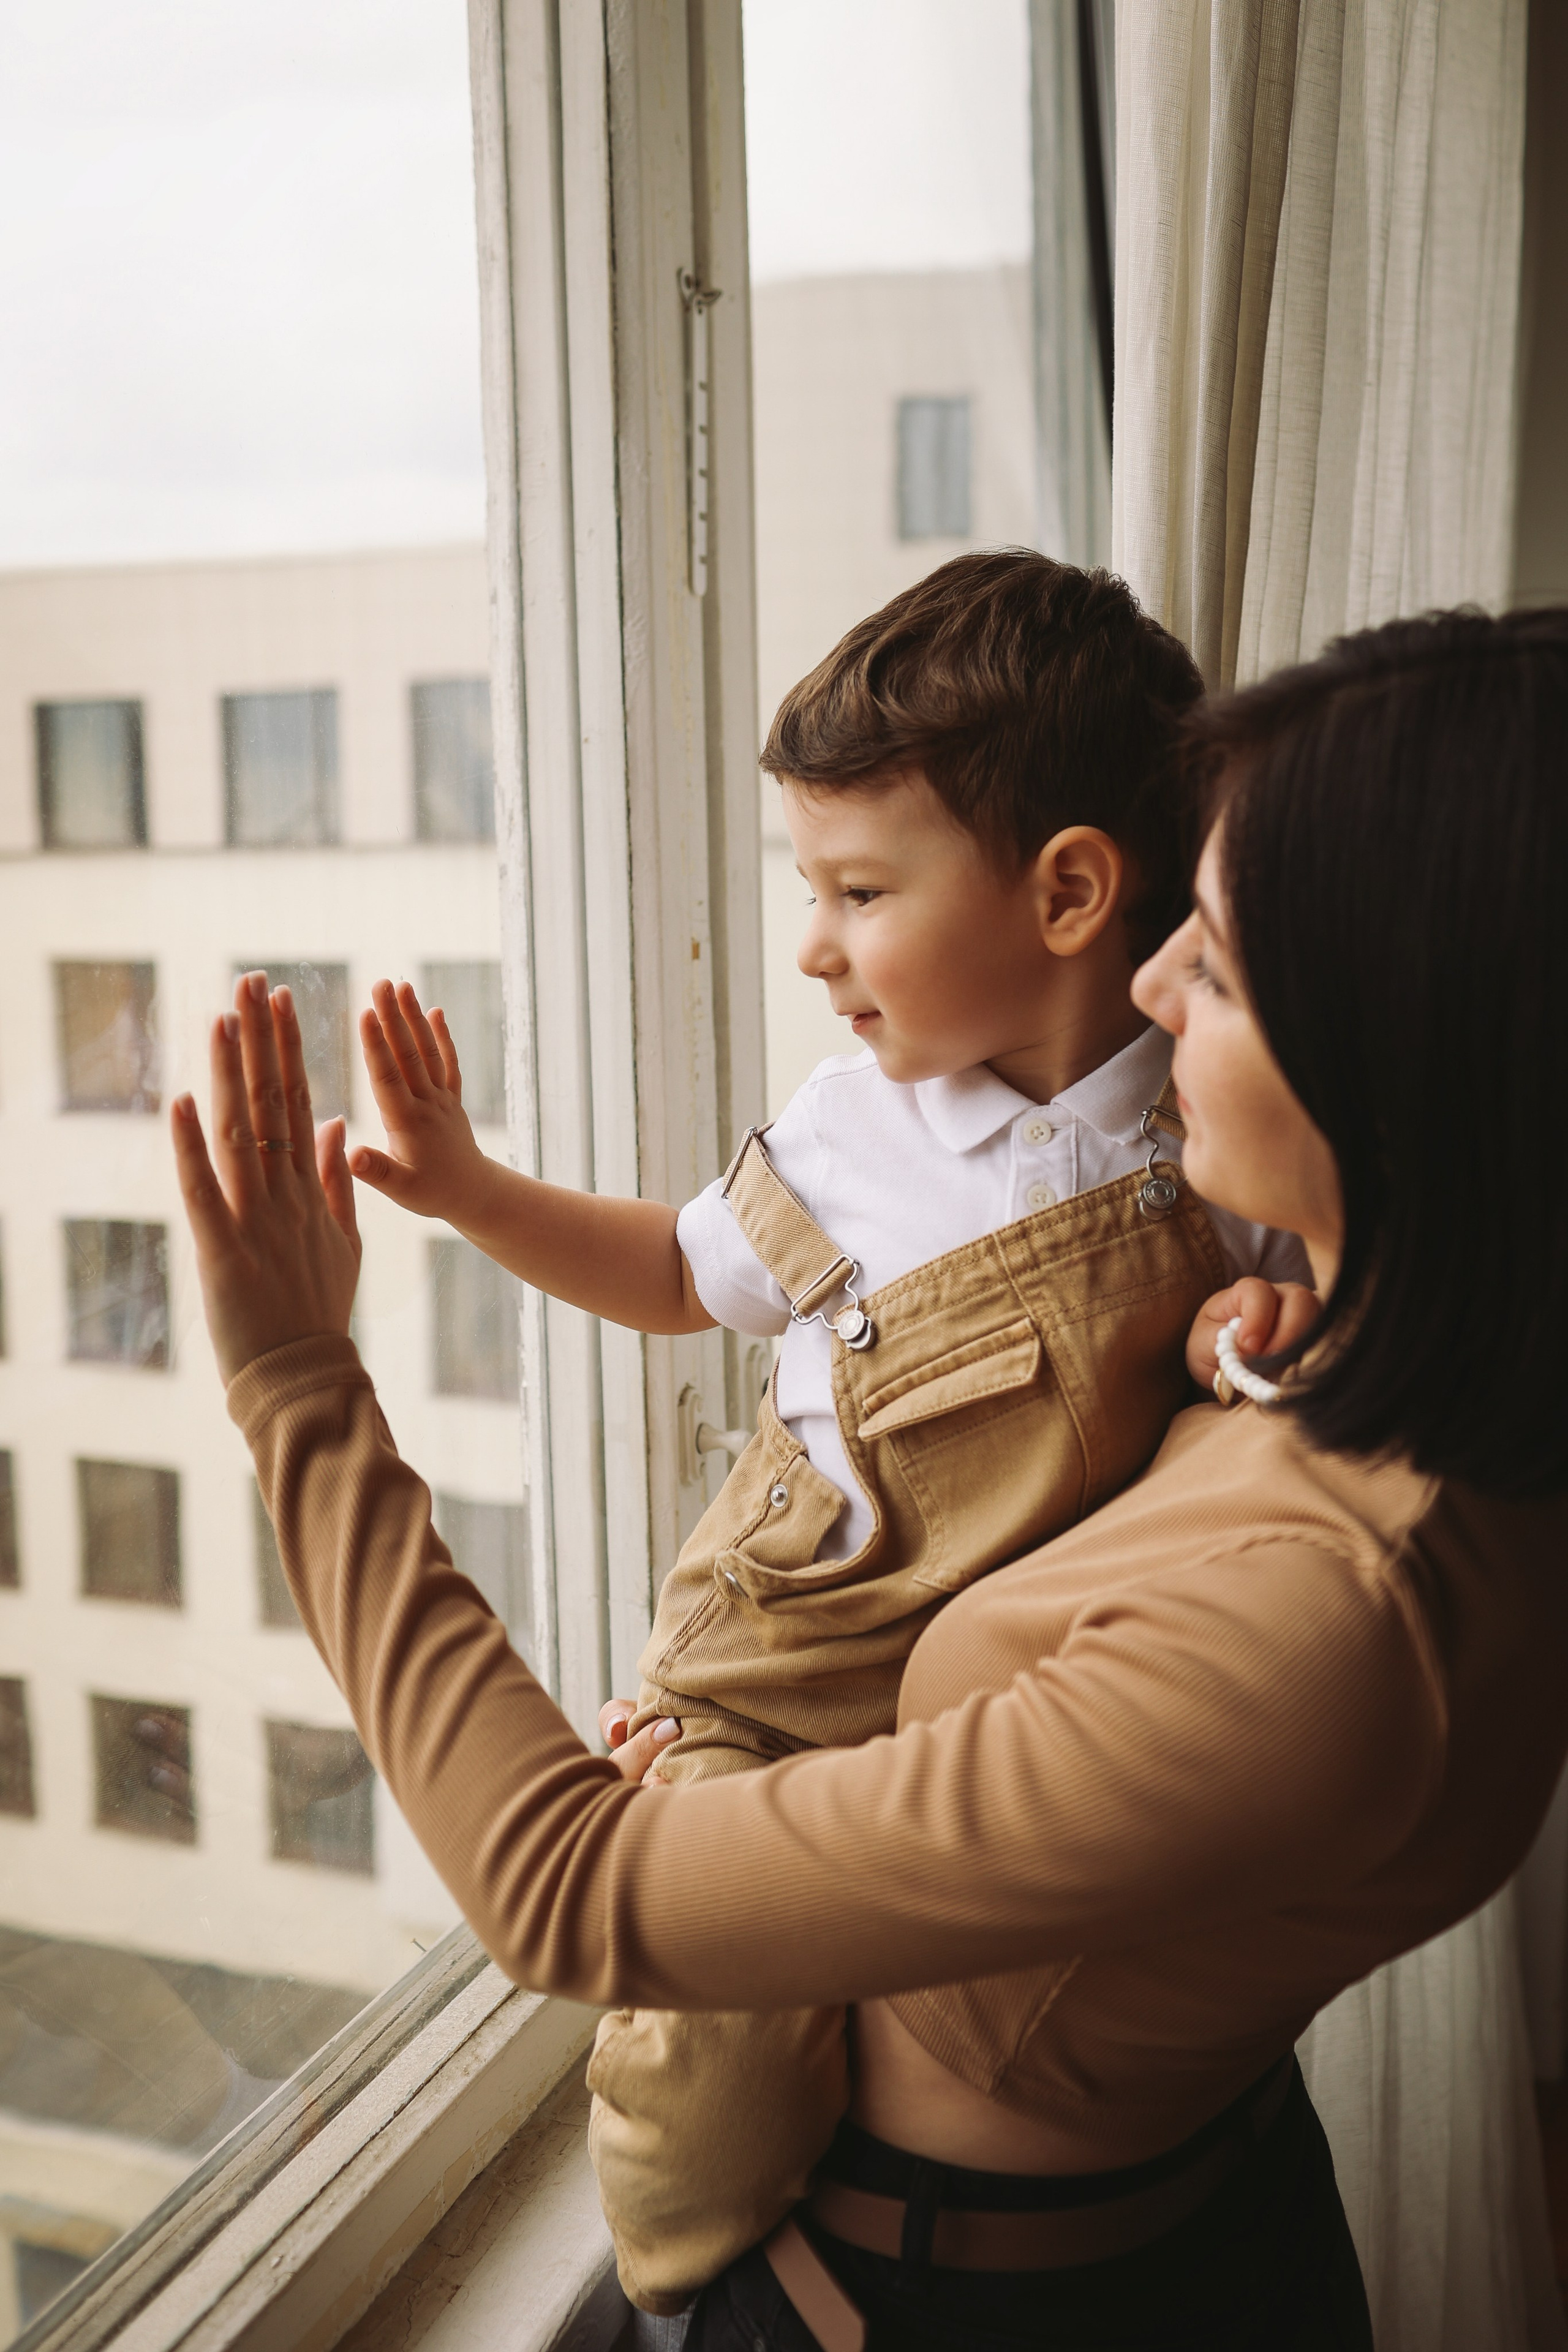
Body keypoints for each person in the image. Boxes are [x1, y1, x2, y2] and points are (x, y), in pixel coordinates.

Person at [172, 604, 1568, 2352]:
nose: (1148, 984)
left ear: (1414, 1042)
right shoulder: (1407, 1396)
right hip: (1195, 2203)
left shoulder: (1335, 1621)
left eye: (1210, 960)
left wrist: (298, 1385)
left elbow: (572, 1892)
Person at [343, 552, 1310, 2306]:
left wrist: (1263, 1326)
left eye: (859, 891)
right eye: (813, 887)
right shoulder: (854, 1130)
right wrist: (471, 1189)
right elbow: (667, 1268)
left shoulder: (1216, 1122)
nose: (813, 946)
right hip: (786, 1675)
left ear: (1073, 894)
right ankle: (681, 2289)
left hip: (996, 1718)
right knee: (707, 2085)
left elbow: (1288, 1333)